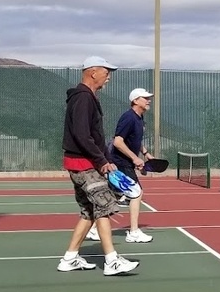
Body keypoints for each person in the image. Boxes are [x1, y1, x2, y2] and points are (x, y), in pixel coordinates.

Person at [56, 56, 139, 276]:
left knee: (89, 211)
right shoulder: (83, 98)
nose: (109, 77)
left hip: (82, 163)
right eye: (106, 72)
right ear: (93, 72)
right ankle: (112, 261)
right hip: (85, 165)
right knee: (104, 207)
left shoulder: (87, 97)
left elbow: (94, 135)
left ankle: (70, 258)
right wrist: (102, 161)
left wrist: (107, 160)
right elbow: (83, 135)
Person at [92, 87, 155, 244]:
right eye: (145, 98)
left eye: (149, 98)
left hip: (126, 163)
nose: (149, 100)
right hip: (119, 163)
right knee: (137, 192)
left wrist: (145, 154)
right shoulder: (128, 118)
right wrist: (135, 158)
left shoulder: (140, 119)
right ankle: (133, 232)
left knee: (114, 195)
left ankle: (93, 228)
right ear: (135, 101)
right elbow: (118, 141)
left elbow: (135, 140)